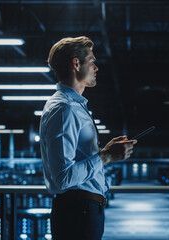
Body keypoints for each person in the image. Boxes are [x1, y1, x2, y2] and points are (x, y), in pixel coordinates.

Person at [39, 36, 137, 240]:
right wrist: (105, 157)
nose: (96, 67)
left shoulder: (73, 106)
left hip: (82, 210)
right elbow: (62, 179)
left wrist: (106, 151)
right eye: (91, 60)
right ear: (76, 63)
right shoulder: (65, 109)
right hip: (78, 213)